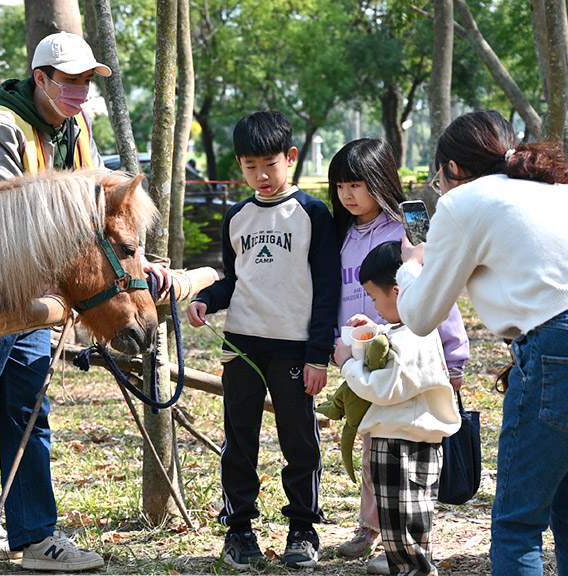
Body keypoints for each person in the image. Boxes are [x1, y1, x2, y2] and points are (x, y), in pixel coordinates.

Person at [0, 31, 167, 572]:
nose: (79, 91)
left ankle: (35, 535)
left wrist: (138, 262)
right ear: (40, 78)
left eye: (86, 81)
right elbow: (6, 219)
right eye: (68, 81)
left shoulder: (77, 125)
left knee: (29, 412)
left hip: (37, 297)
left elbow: (100, 209)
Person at [395, 110, 568, 576]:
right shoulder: (556, 189)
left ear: (453, 169)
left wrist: (413, 264)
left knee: (517, 525)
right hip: (555, 343)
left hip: (554, 350)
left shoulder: (463, 202)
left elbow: (420, 315)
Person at [187, 111, 341, 570]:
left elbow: (327, 287)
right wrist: (206, 300)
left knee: (299, 440)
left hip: (295, 348)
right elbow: (236, 279)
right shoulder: (237, 216)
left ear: (290, 158)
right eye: (250, 166)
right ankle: (239, 532)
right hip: (242, 346)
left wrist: (318, 355)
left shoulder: (313, 214)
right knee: (240, 441)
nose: (261, 175)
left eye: (269, 164)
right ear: (240, 166)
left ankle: (303, 529)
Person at [327, 138, 470, 574]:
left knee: (403, 450)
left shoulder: (409, 229)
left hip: (407, 355)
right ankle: (373, 528)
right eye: (340, 186)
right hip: (360, 352)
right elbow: (334, 294)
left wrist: (454, 356)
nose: (348, 195)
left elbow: (437, 289)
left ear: (380, 181)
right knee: (372, 442)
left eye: (357, 184)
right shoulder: (340, 235)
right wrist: (336, 346)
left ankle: (403, 539)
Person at [333, 241, 461, 576]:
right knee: (407, 523)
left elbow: (383, 388)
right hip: (407, 439)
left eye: (375, 299)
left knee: (403, 524)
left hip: (401, 444)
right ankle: (407, 567)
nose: (375, 308)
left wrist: (347, 364)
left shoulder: (411, 338)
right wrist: (371, 331)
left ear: (397, 290)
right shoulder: (411, 330)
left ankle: (414, 571)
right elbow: (390, 341)